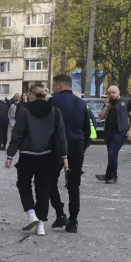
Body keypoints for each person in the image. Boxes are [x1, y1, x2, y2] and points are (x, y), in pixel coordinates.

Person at [5, 83, 69, 237]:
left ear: (31, 95)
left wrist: (10, 155)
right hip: (48, 156)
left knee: (23, 185)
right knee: (43, 190)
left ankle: (31, 213)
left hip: (27, 155)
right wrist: (64, 156)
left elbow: (17, 134)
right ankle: (41, 225)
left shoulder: (25, 112)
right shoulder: (55, 111)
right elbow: (61, 136)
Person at [48, 74, 93, 233]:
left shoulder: (53, 102)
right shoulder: (81, 104)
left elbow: (48, 125)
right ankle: (73, 221)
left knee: (50, 181)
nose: (53, 88)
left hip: (57, 147)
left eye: (54, 85)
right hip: (77, 145)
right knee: (74, 185)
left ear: (60, 85)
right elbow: (87, 127)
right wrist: (84, 144)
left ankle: (60, 213)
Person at [96, 85, 131, 184]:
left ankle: (111, 176)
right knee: (112, 154)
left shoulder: (126, 101)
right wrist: (106, 106)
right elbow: (101, 117)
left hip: (121, 131)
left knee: (112, 152)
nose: (111, 95)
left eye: (113, 92)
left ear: (119, 92)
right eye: (109, 93)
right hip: (108, 131)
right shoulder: (108, 103)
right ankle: (110, 175)